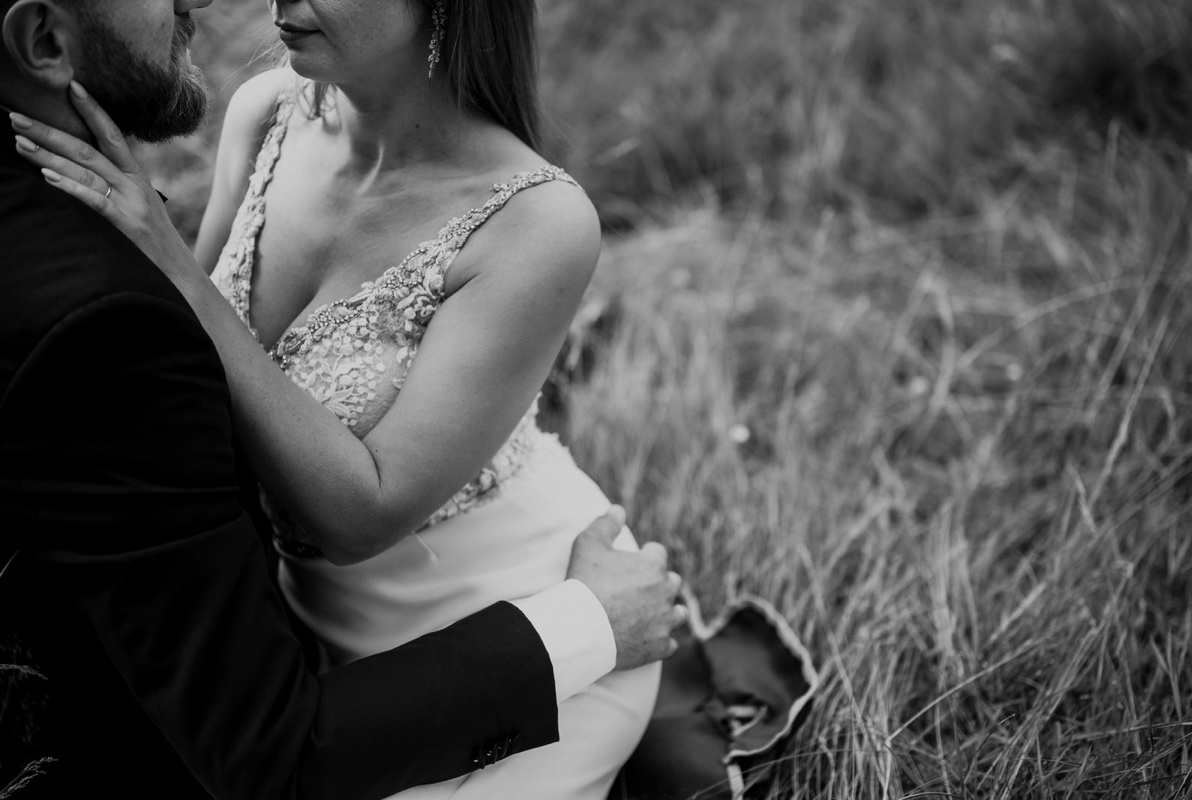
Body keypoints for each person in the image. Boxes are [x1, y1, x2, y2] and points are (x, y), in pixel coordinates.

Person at [0, 1, 685, 799]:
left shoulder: (540, 220)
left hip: (507, 622)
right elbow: (199, 377)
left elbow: (362, 515)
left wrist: (175, 266)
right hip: (317, 656)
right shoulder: (264, 114)